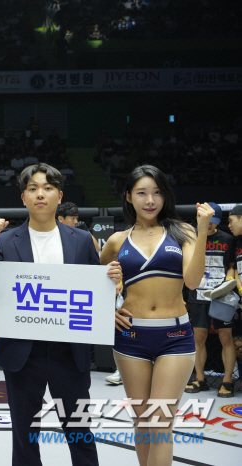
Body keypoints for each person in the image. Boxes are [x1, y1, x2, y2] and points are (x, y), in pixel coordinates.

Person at [0, 163, 122, 466]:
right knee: (25, 436)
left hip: (70, 352)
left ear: (59, 195)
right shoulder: (3, 241)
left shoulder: (81, 240)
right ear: (23, 198)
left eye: (48, 188)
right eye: (33, 188)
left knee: (79, 431)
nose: (40, 194)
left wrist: (112, 283)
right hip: (22, 353)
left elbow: (94, 292)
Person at [100, 165, 214, 466]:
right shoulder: (116, 240)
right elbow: (92, 285)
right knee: (142, 420)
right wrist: (107, 312)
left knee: (160, 423)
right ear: (128, 197)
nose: (150, 200)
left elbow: (192, 281)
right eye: (141, 193)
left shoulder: (183, 232)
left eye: (157, 192)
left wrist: (202, 232)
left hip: (175, 337)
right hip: (130, 337)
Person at [184, 202, 237, 397]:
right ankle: (200, 379)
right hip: (198, 294)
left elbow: (232, 265)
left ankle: (228, 381)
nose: (209, 226)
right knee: (198, 337)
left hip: (222, 294)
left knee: (225, 337)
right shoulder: (191, 239)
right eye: (206, 221)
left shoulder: (228, 239)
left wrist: (229, 282)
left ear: (218, 222)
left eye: (213, 222)